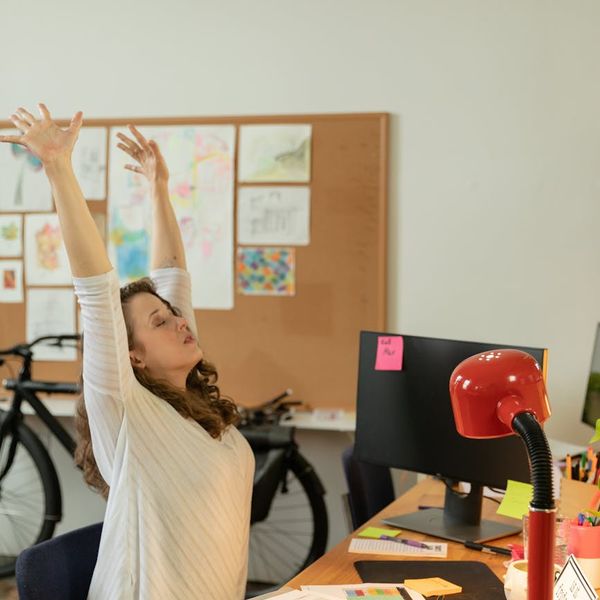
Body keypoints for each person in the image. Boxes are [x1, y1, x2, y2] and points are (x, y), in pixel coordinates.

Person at [0, 105, 255, 599]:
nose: (181, 321)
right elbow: (97, 293)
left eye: (173, 314)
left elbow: (171, 275)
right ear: (132, 355)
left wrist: (158, 188)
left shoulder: (196, 407)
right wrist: (57, 167)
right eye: (160, 322)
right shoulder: (129, 413)